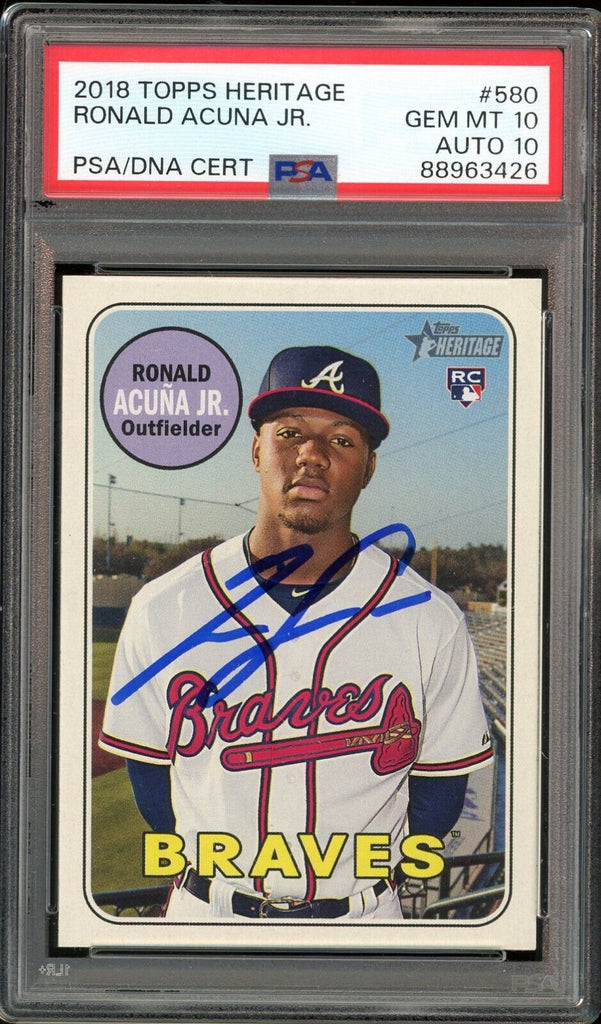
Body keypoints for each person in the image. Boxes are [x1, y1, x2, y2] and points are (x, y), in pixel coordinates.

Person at [99, 345, 493, 921]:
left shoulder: (429, 617)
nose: (312, 455)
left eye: (342, 439)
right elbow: (151, 783)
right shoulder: (164, 606)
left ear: (369, 467)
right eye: (289, 433)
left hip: (363, 921)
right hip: (208, 915)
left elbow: (438, 795)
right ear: (256, 450)